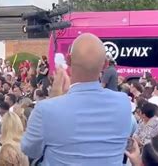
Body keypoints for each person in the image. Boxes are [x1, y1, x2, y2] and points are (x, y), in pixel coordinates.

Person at [22, 33, 132, 165]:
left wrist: (54, 99)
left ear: (68, 60)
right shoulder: (123, 103)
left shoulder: (45, 109)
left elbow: (30, 150)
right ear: (105, 65)